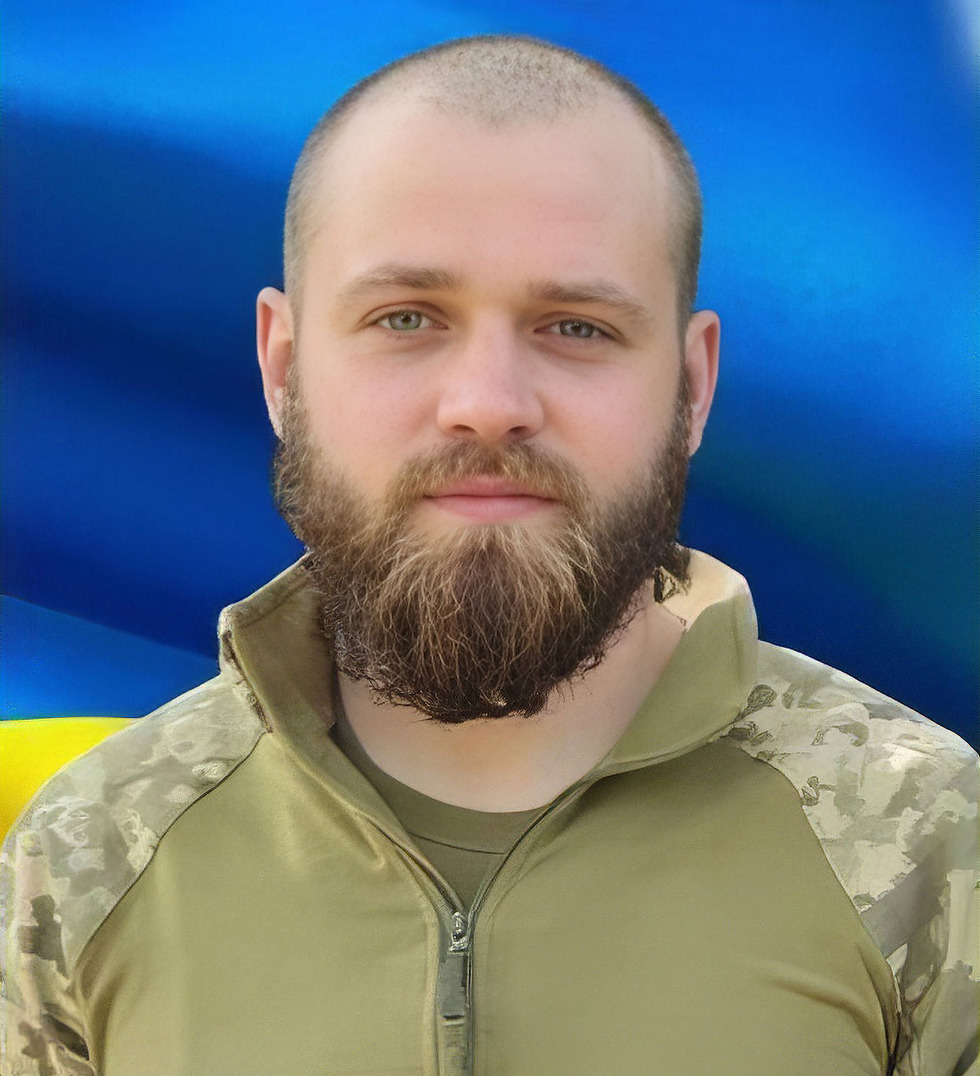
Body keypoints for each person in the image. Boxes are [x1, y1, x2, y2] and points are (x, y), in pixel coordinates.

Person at [1, 34, 976, 1076]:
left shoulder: (931, 840)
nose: (487, 403)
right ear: (283, 370)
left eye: (576, 327)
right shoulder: (90, 851)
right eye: (405, 318)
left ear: (692, 386)